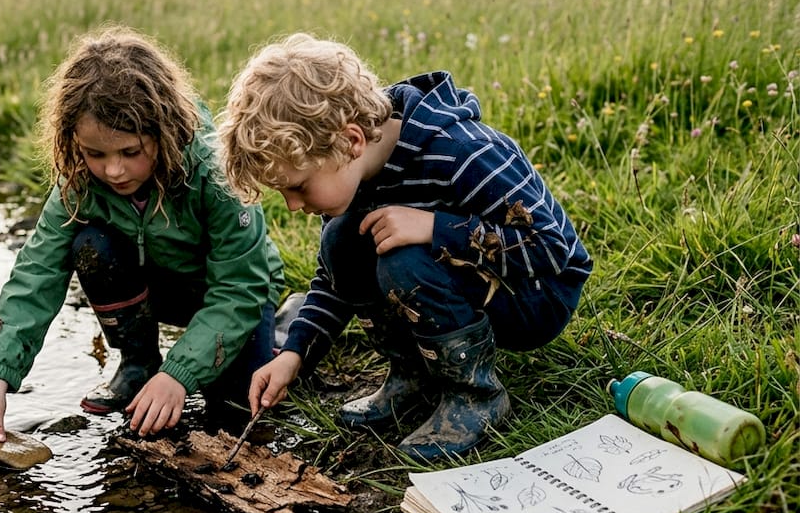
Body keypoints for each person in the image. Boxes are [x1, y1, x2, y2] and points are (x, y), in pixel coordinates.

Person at [216, 33, 592, 462]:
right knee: (342, 240)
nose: (294, 205)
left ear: (351, 140)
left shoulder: (461, 152)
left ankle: (475, 394)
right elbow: (333, 278)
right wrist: (295, 353)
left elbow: (549, 247)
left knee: (403, 258)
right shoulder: (351, 171)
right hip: (469, 279)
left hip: (535, 298)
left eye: (298, 187)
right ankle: (414, 373)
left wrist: (436, 228)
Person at [0, 26, 284, 451]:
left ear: (162, 131)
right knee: (89, 243)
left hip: (236, 293)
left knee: (236, 414)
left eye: (130, 152)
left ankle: (289, 326)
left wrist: (179, 375)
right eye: (97, 154)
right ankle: (139, 364)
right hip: (158, 289)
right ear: (75, 142)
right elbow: (36, 273)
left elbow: (240, 285)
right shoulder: (77, 182)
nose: (113, 171)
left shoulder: (215, 171)